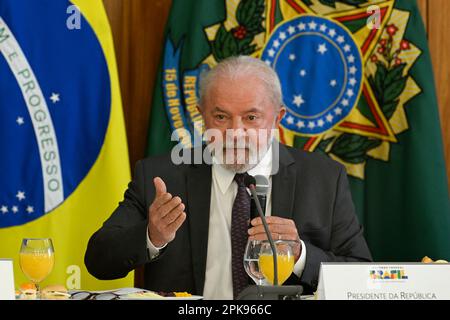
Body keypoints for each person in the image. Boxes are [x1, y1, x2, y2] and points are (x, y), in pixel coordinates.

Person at [85, 56, 372, 300]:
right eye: (221, 117)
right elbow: (98, 262)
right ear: (202, 117)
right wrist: (152, 236)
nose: (236, 133)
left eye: (251, 118)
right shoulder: (161, 176)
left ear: (277, 118)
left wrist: (299, 256)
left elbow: (360, 276)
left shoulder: (323, 178)